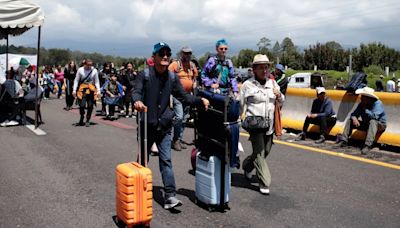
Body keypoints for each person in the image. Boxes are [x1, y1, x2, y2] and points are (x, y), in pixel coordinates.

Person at [132, 42, 209, 209]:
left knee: (166, 160)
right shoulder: (144, 75)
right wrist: (137, 101)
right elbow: (136, 91)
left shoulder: (172, 78)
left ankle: (170, 196)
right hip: (147, 125)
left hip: (165, 125)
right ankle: (137, 189)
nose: (165, 56)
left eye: (168, 53)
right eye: (161, 53)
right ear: (154, 57)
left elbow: (184, 97)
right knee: (143, 161)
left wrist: (199, 100)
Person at [239, 54, 284, 195]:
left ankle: (247, 166)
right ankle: (264, 182)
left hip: (269, 124)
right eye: (261, 68)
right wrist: (241, 118)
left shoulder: (272, 83)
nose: (264, 70)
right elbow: (241, 105)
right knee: (259, 152)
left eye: (266, 67)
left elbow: (281, 102)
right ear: (254, 69)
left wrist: (279, 96)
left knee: (266, 151)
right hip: (255, 124)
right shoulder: (247, 85)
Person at [336, 87, 386, 155]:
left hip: (379, 125)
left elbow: (374, 117)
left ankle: (367, 145)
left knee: (372, 121)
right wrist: (354, 118)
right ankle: (344, 141)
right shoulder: (361, 104)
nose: (361, 98)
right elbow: (353, 114)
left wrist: (365, 109)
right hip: (367, 124)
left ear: (368, 98)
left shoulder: (378, 104)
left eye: (362, 96)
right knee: (350, 120)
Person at [168, 46, 198, 151]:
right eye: (185, 53)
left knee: (184, 119)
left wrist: (194, 90)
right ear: (181, 54)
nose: (187, 55)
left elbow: (194, 79)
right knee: (179, 117)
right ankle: (175, 140)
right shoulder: (175, 65)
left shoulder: (192, 65)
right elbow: (167, 76)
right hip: (177, 95)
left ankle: (178, 139)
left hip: (187, 96)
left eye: (189, 53)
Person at [72, 59, 101, 127]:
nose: (89, 66)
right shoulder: (80, 70)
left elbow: (96, 81)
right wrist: (74, 90)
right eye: (88, 65)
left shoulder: (94, 71)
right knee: (82, 105)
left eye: (91, 65)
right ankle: (82, 116)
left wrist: (98, 91)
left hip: (91, 90)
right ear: (84, 64)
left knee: (90, 106)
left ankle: (87, 119)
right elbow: (76, 80)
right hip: (82, 90)